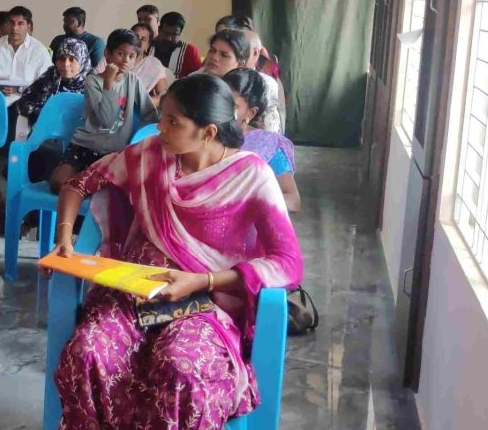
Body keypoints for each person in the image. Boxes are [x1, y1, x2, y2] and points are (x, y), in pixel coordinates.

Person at [51, 75, 303, 429]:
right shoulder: (149, 155)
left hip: (203, 305)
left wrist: (203, 281)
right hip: (132, 294)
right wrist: (64, 237)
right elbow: (79, 183)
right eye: (162, 117)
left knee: (180, 368)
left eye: (173, 122)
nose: (160, 128)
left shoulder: (251, 176)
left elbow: (288, 263)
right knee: (87, 351)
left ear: (208, 132)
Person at [48, 29, 156, 193]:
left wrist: (140, 142)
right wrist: (108, 84)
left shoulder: (133, 81)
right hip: (85, 145)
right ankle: (83, 184)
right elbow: (106, 120)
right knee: (59, 182)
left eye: (131, 56)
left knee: (110, 190)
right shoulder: (93, 81)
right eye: (120, 54)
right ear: (108, 54)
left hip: (114, 152)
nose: (125, 60)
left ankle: (85, 185)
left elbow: (150, 114)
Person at [224, 68, 301, 212]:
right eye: (220, 101)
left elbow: (292, 200)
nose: (222, 109)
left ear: (251, 112)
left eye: (232, 105)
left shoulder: (268, 145)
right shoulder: (205, 134)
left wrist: (244, 202)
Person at [0, 5, 52, 104]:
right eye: (11, 23)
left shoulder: (39, 51)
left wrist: (19, 89)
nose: (14, 28)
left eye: (20, 23)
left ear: (28, 26)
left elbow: (46, 83)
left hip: (26, 102)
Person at [152, 11, 203, 78]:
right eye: (166, 33)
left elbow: (197, 79)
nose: (169, 38)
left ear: (180, 33)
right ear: (159, 29)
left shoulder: (190, 51)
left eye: (174, 34)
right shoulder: (148, 46)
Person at [129, 22, 172, 99]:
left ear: (147, 45)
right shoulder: (117, 57)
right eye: (136, 37)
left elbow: (163, 96)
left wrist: (146, 102)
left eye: (143, 39)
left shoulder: (154, 64)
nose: (138, 41)